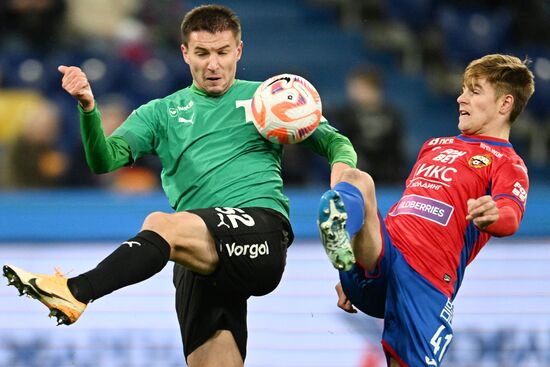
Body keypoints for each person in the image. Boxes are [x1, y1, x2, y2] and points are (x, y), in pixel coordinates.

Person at [2, 4, 356, 367]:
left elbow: (336, 144)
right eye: (202, 53)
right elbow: (103, 161)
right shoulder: (158, 113)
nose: (213, 64)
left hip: (259, 232)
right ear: (185, 53)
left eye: (222, 52)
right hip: (198, 254)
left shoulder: (268, 98)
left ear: (239, 50)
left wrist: (341, 183)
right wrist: (88, 109)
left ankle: (76, 291)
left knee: (160, 223)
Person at [317, 54, 534, 366]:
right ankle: (345, 244)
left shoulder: (508, 164)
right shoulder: (434, 145)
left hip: (426, 277)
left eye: (474, 91)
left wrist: (495, 215)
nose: (461, 97)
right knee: (357, 178)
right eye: (463, 89)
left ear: (504, 105)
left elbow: (511, 215)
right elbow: (408, 210)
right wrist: (358, 253)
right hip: (383, 253)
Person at [325, 65, 407, 184]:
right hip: (356, 174)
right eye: (352, 87)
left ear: (374, 89)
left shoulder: (392, 115)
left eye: (358, 87)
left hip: (388, 177)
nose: (352, 92)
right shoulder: (345, 115)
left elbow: (397, 150)